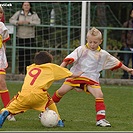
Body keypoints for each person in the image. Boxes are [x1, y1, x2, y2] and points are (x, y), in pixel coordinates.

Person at [52, 27, 133, 127]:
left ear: (100, 41)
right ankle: (46, 110)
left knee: (99, 94)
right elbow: (67, 60)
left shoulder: (103, 54)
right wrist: (59, 70)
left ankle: (100, 120)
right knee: (61, 91)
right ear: (87, 40)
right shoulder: (81, 49)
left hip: (91, 79)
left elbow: (116, 62)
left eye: (95, 42)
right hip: (76, 76)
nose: (92, 44)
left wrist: (128, 69)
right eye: (90, 42)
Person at [0, 51, 82, 128]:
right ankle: (59, 121)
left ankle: (6, 112)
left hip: (24, 95)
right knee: (49, 101)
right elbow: (68, 74)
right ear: (49, 63)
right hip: (39, 94)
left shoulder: (30, 67)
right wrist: (77, 74)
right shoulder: (51, 67)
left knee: (11, 107)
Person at [9, 1, 40, 74]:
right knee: (21, 55)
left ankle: (28, 72)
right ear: (22, 6)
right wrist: (17, 22)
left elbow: (38, 22)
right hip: (20, 37)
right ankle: (20, 72)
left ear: (30, 6)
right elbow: (11, 20)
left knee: (29, 55)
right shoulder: (19, 13)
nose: (26, 6)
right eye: (25, 5)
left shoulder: (33, 14)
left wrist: (29, 23)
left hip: (30, 37)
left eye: (27, 5)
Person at [0, 6, 16, 122]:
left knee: (2, 83)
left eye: (1, 12)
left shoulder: (2, 27)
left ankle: (9, 112)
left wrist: (4, 58)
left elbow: (4, 44)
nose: (0, 14)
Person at [121, 9, 133, 79]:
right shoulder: (127, 24)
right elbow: (123, 35)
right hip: (128, 46)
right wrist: (125, 44)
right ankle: (125, 75)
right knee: (125, 61)